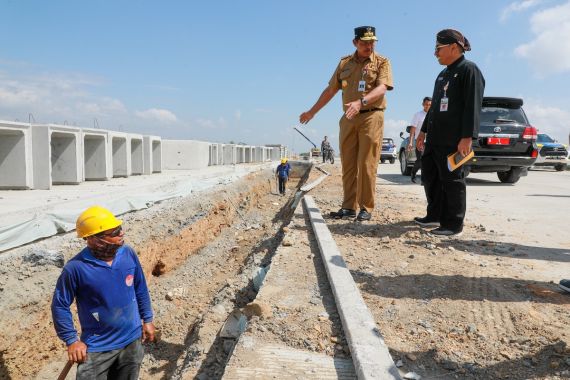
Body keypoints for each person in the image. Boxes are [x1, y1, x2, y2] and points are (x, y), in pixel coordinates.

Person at [300, 26, 393, 221]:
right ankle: (349, 207)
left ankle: (366, 207)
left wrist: (362, 102)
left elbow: (383, 87)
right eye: (364, 43)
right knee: (349, 163)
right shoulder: (345, 64)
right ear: (355, 43)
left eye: (372, 42)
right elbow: (330, 90)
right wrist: (312, 112)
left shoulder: (382, 62)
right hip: (349, 117)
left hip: (371, 115)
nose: (369, 46)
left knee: (366, 164)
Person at [51, 206, 155, 379]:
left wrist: (148, 319)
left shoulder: (128, 254)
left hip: (132, 340)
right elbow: (60, 305)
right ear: (94, 239)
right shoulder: (75, 268)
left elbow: (140, 287)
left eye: (120, 228)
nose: (121, 233)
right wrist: (72, 341)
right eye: (114, 232)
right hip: (98, 347)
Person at [415, 29, 485, 236]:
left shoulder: (469, 70)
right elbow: (435, 107)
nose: (435, 53)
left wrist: (467, 137)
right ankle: (434, 214)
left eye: (438, 49)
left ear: (454, 47)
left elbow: (473, 106)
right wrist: (423, 132)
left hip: (454, 140)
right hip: (435, 138)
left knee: (452, 180)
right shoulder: (443, 74)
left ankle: (453, 224)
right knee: (430, 177)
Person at [408, 97, 432, 183]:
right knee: (420, 160)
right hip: (420, 141)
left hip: (430, 142)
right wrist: (410, 142)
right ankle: (413, 173)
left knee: (428, 161)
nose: (428, 106)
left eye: (429, 105)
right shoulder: (418, 115)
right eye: (426, 104)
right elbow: (412, 129)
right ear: (423, 104)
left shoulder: (434, 115)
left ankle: (424, 179)